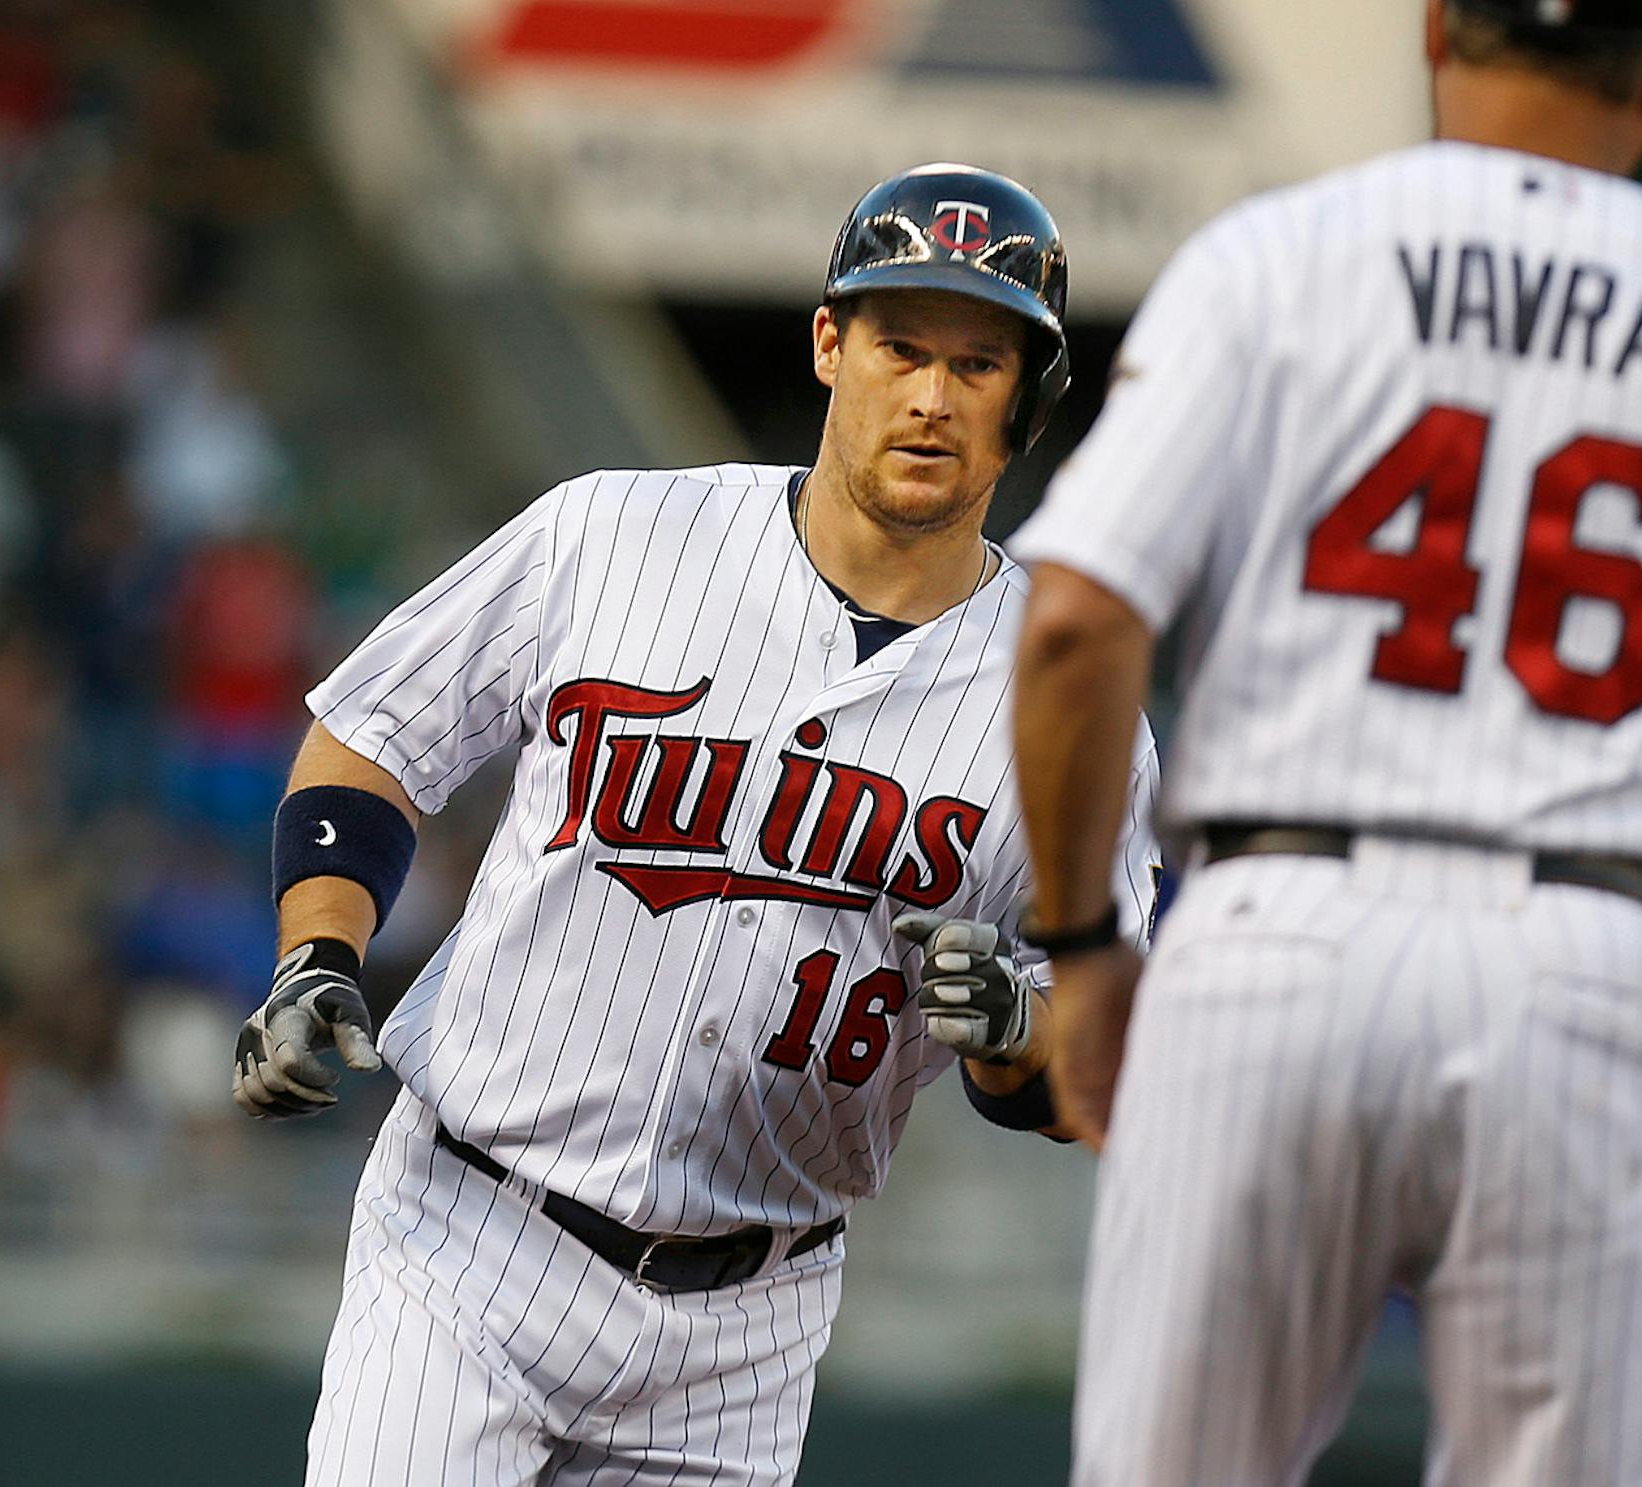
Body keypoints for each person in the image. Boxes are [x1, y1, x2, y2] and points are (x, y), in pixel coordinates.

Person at [1004, 3, 1642, 1483]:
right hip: (1585, 962)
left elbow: (1072, 623)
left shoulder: (1275, 260)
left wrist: (1081, 944)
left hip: (1274, 935)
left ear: (1441, 26)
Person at [231, 162, 1159, 1487]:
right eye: (902, 345)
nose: (933, 396)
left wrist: (1021, 1032)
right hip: (473, 1237)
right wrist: (318, 952)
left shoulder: (1076, 703)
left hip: (749, 1323)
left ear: (1034, 393)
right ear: (832, 342)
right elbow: (378, 730)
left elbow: (1116, 1033)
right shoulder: (617, 531)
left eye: (981, 361)